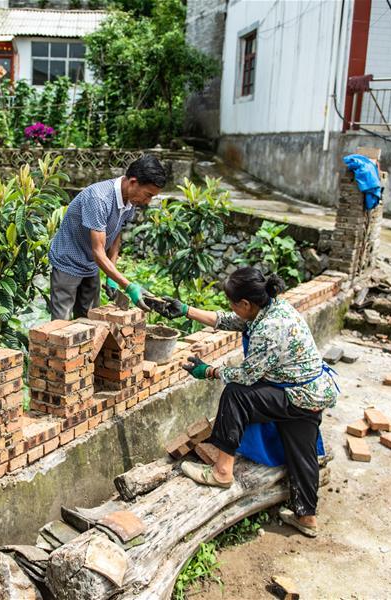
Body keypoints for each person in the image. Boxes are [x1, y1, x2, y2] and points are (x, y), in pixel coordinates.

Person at [157, 267, 339, 537]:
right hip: (311, 390)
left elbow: (246, 375)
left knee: (236, 395)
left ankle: (222, 471)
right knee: (302, 451)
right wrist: (186, 310)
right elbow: (230, 321)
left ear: (245, 303)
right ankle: (306, 516)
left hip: (296, 394)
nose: (230, 308)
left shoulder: (268, 328)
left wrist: (208, 371)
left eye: (232, 302)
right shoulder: (273, 307)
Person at [47, 155, 166, 320]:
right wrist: (129, 286)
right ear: (133, 182)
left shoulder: (130, 201)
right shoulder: (99, 198)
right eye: (148, 195)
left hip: (92, 264)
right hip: (69, 261)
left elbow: (116, 233)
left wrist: (112, 276)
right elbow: (98, 251)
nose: (147, 201)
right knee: (60, 325)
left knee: (89, 319)